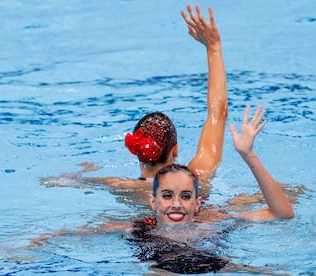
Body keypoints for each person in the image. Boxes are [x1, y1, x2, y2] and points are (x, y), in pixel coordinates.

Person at [30, 105, 294, 274]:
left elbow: (282, 213)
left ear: (197, 203)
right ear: (153, 201)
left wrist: (248, 155)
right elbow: (70, 235)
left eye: (186, 196)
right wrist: (29, 245)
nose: (176, 203)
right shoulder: (137, 227)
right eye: (167, 196)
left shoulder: (213, 222)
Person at [41, 4, 227, 200]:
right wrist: (213, 47)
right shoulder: (196, 182)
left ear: (136, 151)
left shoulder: (123, 187)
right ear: (175, 150)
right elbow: (218, 113)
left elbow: (66, 181)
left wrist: (82, 174)